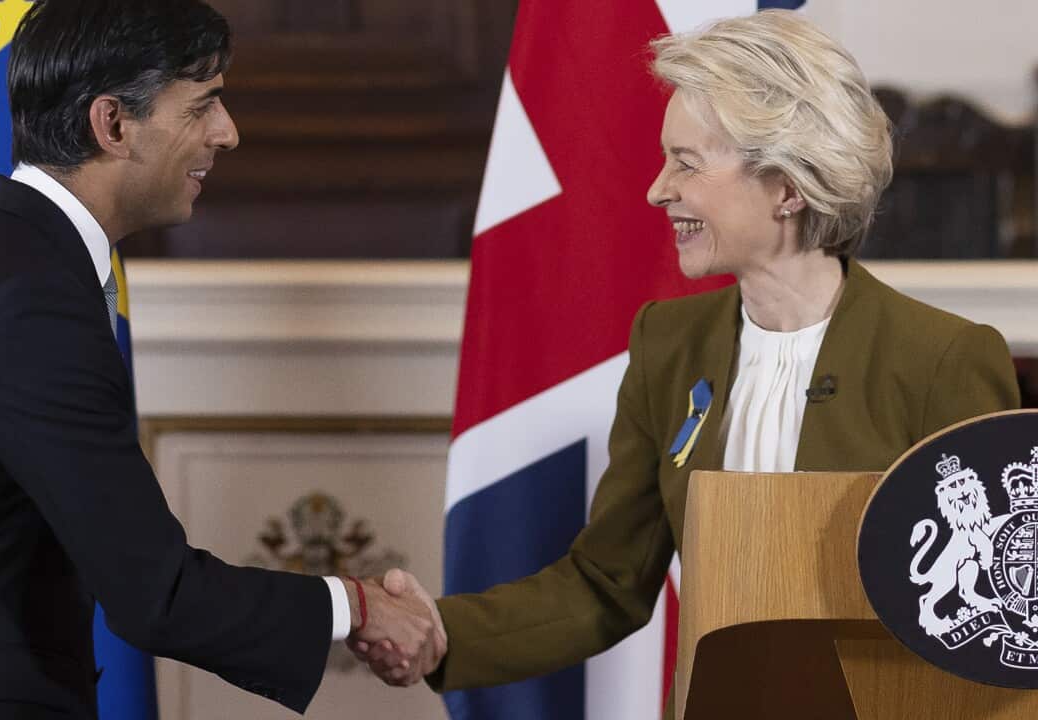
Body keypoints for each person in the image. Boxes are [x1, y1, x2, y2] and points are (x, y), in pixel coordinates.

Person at [352, 8, 1022, 700]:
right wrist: (440, 629)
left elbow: (999, 615)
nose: (657, 188)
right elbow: (607, 583)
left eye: (687, 163)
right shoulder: (668, 344)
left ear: (788, 186)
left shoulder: (943, 359)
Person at [0, 1, 439, 718]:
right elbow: (156, 596)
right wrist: (356, 606)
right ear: (113, 124)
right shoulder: (27, 296)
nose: (227, 133)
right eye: (204, 106)